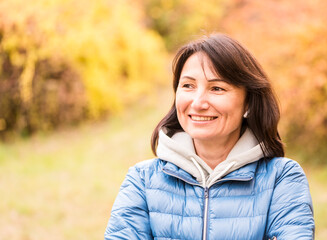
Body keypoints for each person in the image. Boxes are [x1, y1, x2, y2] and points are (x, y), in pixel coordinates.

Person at [104, 34, 315, 240]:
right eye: (188, 85)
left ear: (248, 102)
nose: (198, 103)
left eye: (217, 88)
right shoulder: (142, 180)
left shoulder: (282, 179)